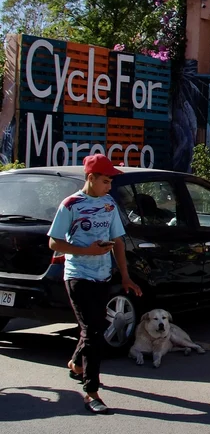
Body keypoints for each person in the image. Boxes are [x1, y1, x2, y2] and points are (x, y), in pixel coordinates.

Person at [47, 154, 142, 414]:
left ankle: (77, 364)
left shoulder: (109, 204)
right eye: (105, 181)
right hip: (78, 275)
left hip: (104, 275)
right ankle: (91, 392)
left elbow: (119, 242)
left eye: (111, 181)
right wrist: (87, 251)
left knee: (95, 327)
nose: (109, 186)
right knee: (93, 332)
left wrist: (125, 276)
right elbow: (54, 242)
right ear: (91, 178)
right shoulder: (71, 205)